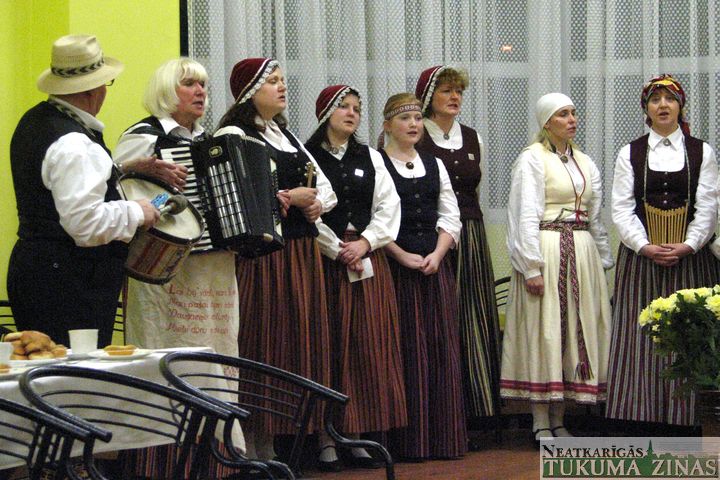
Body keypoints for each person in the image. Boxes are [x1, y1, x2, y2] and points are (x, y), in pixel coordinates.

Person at [214, 57, 337, 461]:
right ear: (249, 90)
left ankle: (279, 442)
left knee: (298, 343)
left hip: (301, 253)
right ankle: (253, 444)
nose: (282, 87)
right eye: (272, 81)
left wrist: (314, 202)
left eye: (283, 80)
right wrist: (289, 197)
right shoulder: (234, 134)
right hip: (265, 256)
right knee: (264, 341)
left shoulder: (286, 135)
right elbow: (232, 193)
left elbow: (323, 188)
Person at [7, 34, 159, 348]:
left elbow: (56, 187)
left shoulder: (35, 121)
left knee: (44, 365)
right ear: (94, 89)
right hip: (70, 283)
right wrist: (138, 211)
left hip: (39, 270)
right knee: (75, 372)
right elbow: (85, 224)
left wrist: (122, 168)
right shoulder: (75, 143)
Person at [606, 74, 720, 427]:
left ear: (680, 106)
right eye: (655, 100)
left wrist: (688, 244)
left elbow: (708, 206)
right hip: (642, 260)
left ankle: (689, 420)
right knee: (641, 335)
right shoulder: (630, 152)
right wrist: (645, 246)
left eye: (670, 99)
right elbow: (621, 208)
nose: (663, 105)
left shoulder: (702, 152)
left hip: (690, 260)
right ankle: (640, 418)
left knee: (690, 333)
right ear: (647, 109)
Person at [500, 93, 613, 443]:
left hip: (581, 251)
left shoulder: (584, 161)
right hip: (547, 250)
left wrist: (602, 260)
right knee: (545, 331)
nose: (572, 119)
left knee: (574, 335)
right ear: (547, 122)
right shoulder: (532, 159)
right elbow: (524, 214)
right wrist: (530, 267)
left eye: (573, 113)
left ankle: (560, 418)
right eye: (563, 114)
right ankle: (540, 421)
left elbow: (595, 216)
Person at [306, 85, 407, 470]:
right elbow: (309, 214)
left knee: (366, 346)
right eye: (343, 107)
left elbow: (388, 206)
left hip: (366, 259)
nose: (352, 113)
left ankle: (358, 432)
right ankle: (325, 438)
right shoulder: (307, 155)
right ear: (325, 113)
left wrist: (365, 243)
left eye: (356, 108)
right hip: (325, 263)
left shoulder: (371, 157)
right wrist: (336, 249)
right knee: (329, 347)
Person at [113, 58, 240, 359]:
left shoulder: (210, 141)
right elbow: (115, 191)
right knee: (167, 346)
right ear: (166, 90)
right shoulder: (144, 136)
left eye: (203, 85)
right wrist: (155, 192)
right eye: (189, 84)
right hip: (163, 263)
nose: (200, 91)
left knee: (215, 348)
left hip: (215, 266)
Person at [415, 65, 502, 432]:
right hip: (430, 236)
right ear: (428, 97)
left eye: (458, 91)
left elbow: (474, 190)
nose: (454, 97)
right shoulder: (415, 133)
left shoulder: (472, 137)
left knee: (473, 317)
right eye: (446, 90)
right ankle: (441, 413)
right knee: (441, 318)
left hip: (471, 233)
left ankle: (477, 410)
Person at [380, 93, 466, 460]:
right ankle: (406, 443)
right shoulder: (378, 163)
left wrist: (438, 253)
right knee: (403, 352)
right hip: (395, 272)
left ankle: (442, 439)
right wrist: (400, 255)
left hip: (433, 268)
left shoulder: (435, 164)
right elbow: (375, 219)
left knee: (438, 350)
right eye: (405, 118)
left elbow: (450, 216)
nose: (414, 124)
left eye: (417, 117)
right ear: (388, 125)